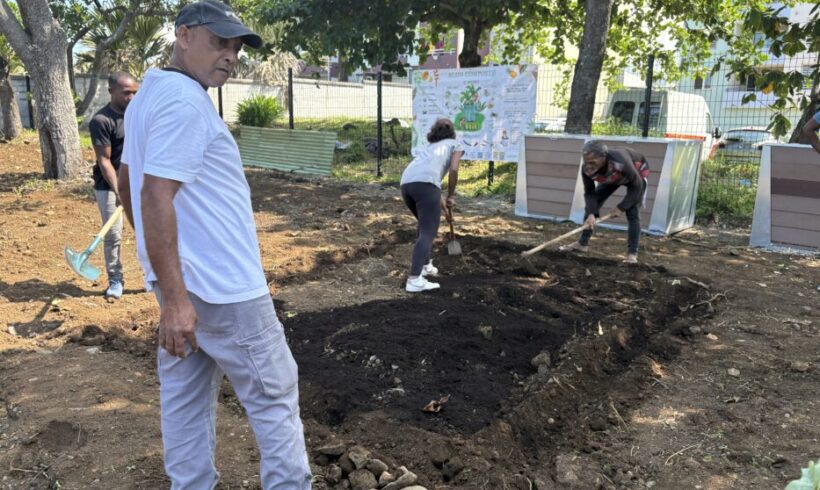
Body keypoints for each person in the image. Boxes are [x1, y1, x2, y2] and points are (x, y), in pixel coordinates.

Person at [118, 1, 311, 488]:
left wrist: (166, 274)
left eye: (236, 47)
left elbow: (126, 180)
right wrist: (179, 297)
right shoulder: (184, 102)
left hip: (180, 285)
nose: (230, 56)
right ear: (183, 36)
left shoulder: (150, 93)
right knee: (274, 398)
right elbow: (153, 193)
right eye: (218, 42)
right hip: (224, 291)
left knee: (184, 397)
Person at [88, 72, 139, 299]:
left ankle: (154, 275)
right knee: (114, 235)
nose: (131, 97)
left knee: (149, 231)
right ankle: (115, 280)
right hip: (109, 186)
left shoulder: (137, 116)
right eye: (126, 93)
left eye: (135, 92)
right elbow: (104, 160)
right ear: (111, 92)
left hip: (138, 182)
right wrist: (120, 189)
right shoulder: (101, 121)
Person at [399, 118, 464, 292]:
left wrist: (443, 204)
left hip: (406, 184)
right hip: (426, 186)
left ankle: (426, 266)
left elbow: (429, 179)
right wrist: (451, 194)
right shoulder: (456, 144)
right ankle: (414, 280)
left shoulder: (430, 148)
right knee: (428, 232)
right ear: (452, 132)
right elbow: (454, 169)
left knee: (423, 224)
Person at [559, 140, 649, 264]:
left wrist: (621, 207)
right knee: (592, 206)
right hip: (612, 178)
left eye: (592, 162)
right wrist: (592, 214)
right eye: (586, 161)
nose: (589, 165)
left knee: (632, 212)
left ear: (603, 157)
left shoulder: (621, 162)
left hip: (635, 175)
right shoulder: (586, 168)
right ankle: (582, 244)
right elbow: (590, 193)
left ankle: (632, 254)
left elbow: (637, 186)